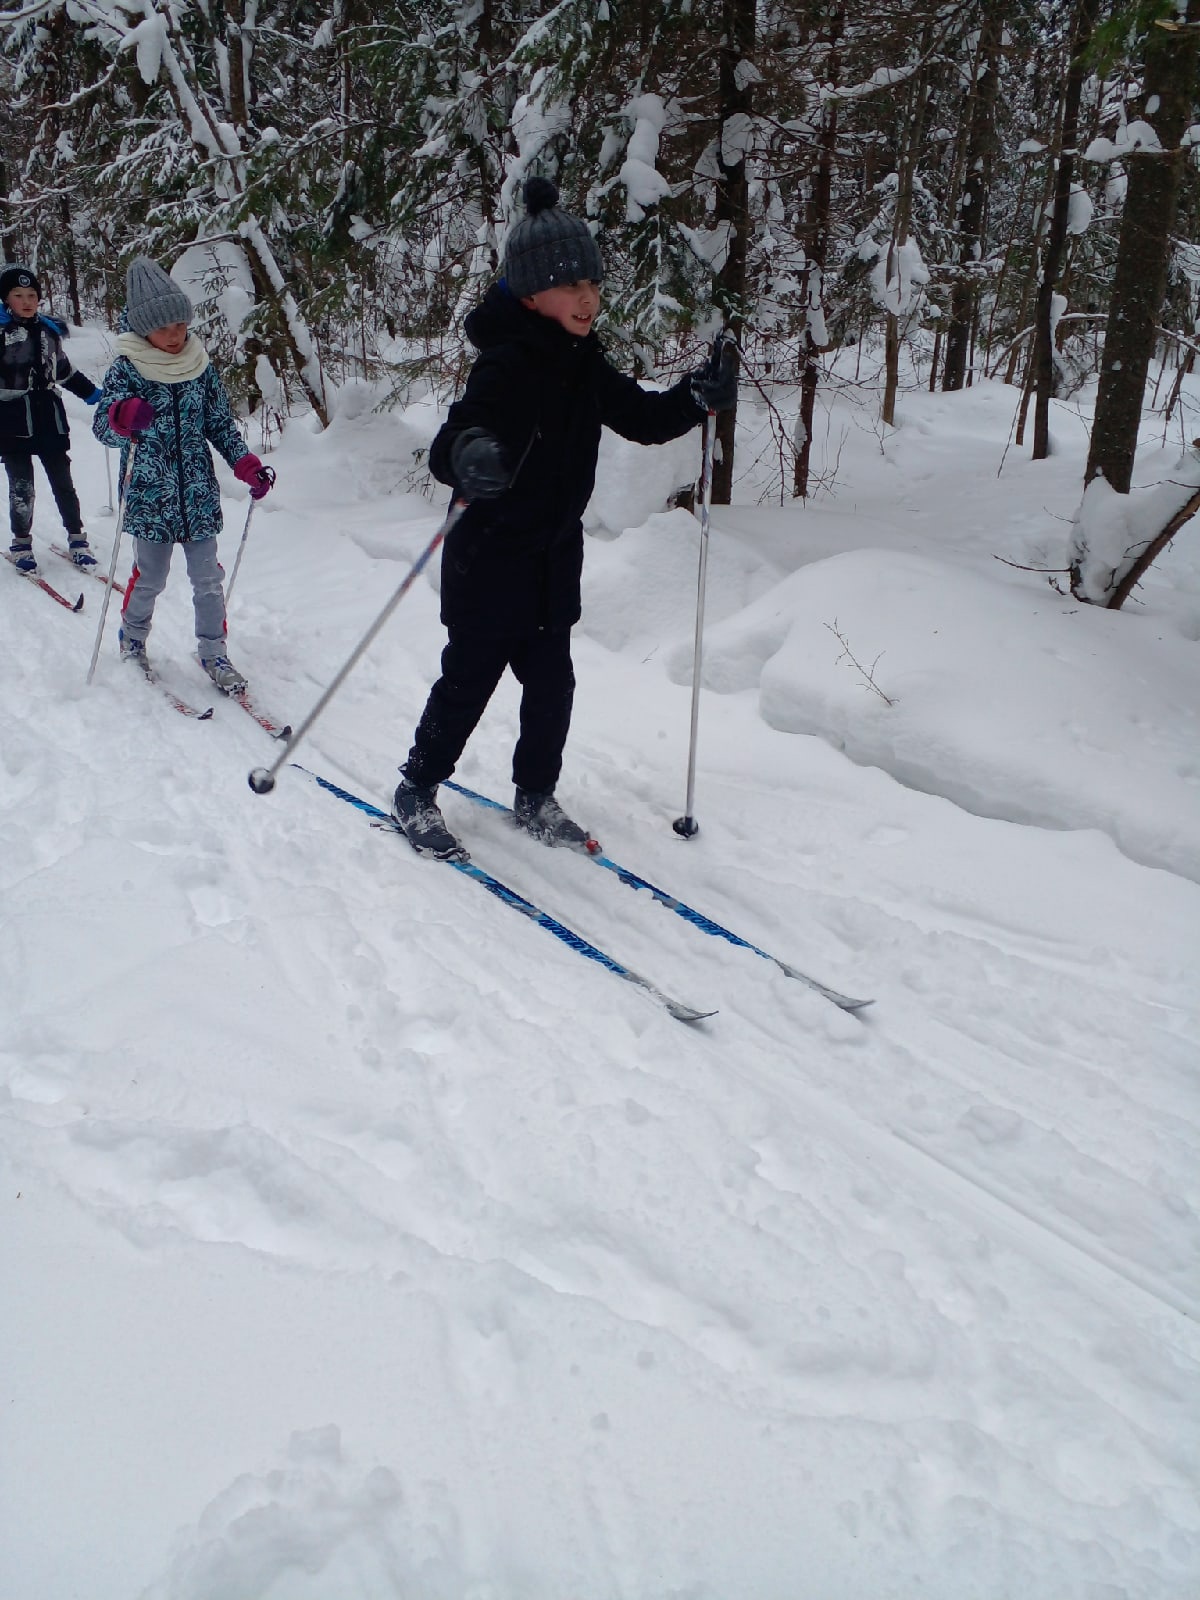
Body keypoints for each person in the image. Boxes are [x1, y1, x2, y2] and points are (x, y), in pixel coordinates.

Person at [392, 175, 737, 861]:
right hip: (488, 562)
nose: (587, 297)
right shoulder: (506, 365)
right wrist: (472, 455)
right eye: (569, 285)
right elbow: (445, 448)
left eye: (592, 284)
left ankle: (534, 794)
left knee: (552, 689)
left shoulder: (585, 363)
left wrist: (694, 397)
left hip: (551, 562)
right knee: (467, 684)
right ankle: (417, 786)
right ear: (528, 294)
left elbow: (641, 419)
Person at [92, 256, 274, 691]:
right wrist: (121, 415)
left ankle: (214, 652)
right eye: (163, 328)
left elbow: (217, 423)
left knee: (208, 580)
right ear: (142, 329)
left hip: (196, 494)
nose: (174, 336)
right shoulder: (127, 367)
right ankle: (133, 641)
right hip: (149, 495)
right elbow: (103, 427)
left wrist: (245, 463)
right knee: (151, 577)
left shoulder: (199, 365)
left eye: (180, 326)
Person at [0, 263, 103, 575]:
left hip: (48, 416)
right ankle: (21, 543)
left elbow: (63, 371)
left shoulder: (49, 331)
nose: (27, 301)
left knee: (63, 481)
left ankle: (77, 538)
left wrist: (92, 394)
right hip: (11, 418)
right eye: (19, 295)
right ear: (6, 299)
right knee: (22, 486)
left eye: (32, 294)